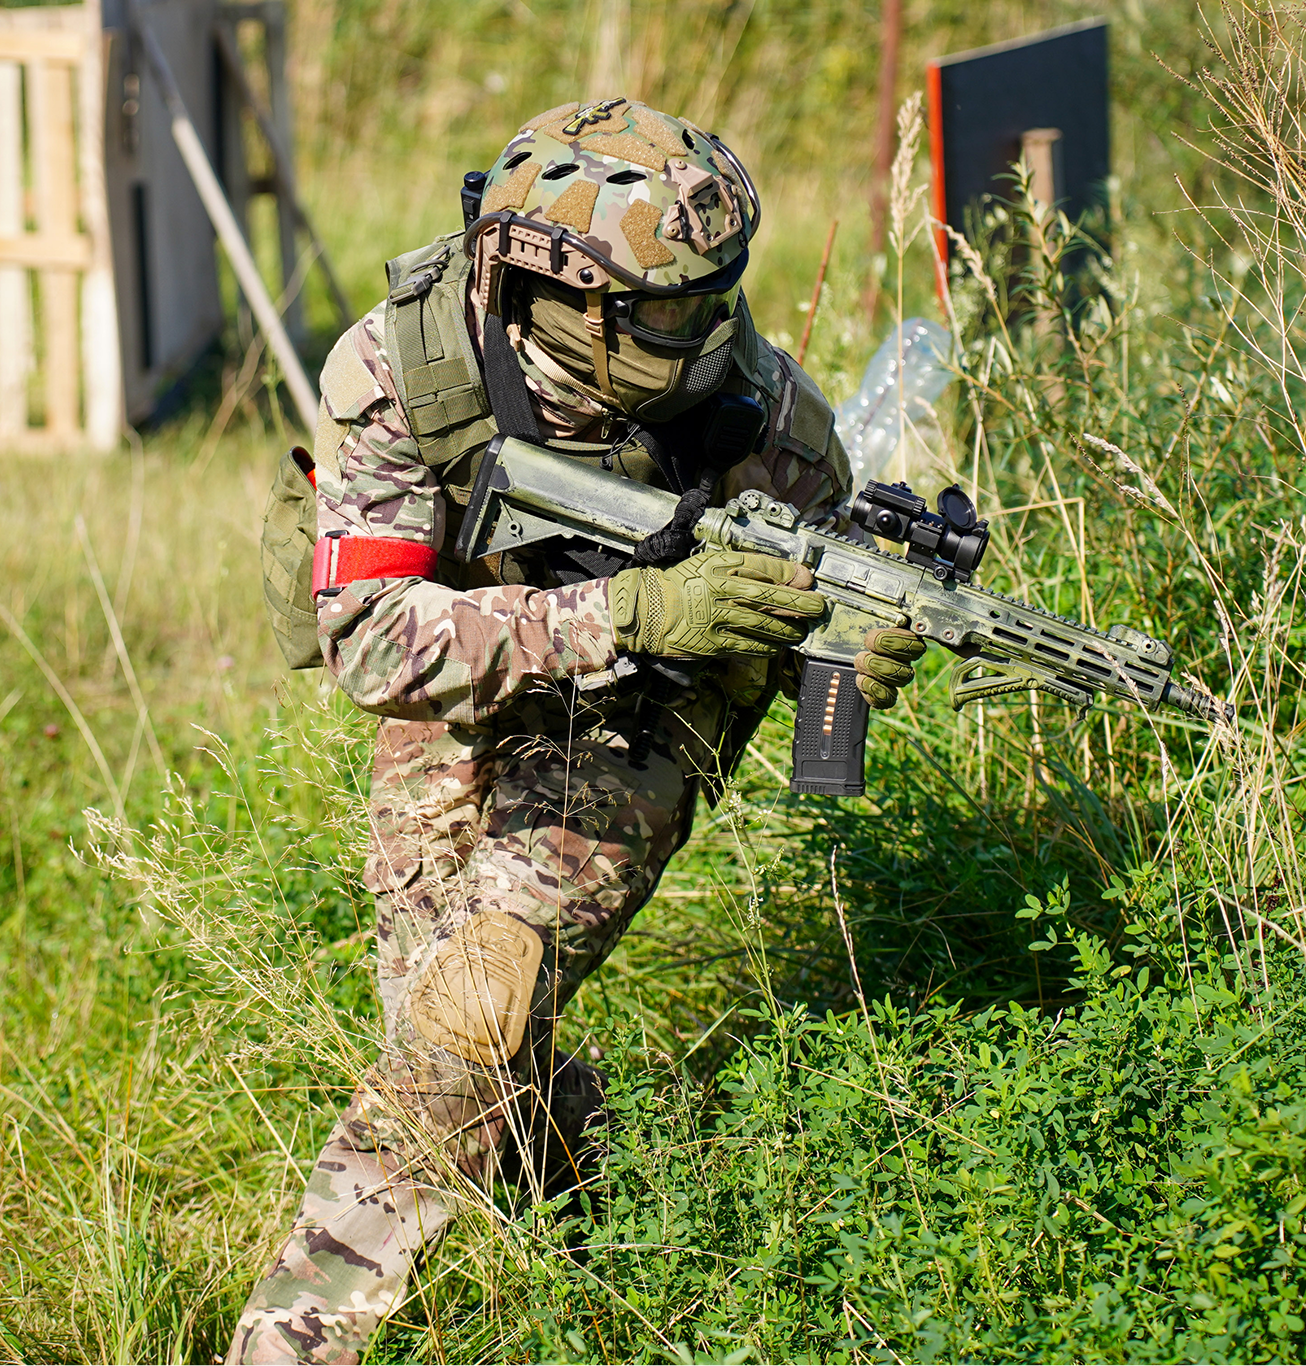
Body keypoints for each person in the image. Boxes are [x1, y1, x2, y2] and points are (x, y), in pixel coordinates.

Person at [231, 96, 926, 1366]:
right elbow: (375, 642)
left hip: (660, 696)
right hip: (468, 661)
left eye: (719, 294)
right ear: (554, 290)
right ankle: (598, 1240)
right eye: (669, 311)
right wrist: (622, 607)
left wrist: (850, 652)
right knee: (441, 1023)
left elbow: (808, 640)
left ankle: (290, 1341)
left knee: (471, 1003)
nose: (710, 329)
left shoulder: (757, 415)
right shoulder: (403, 372)